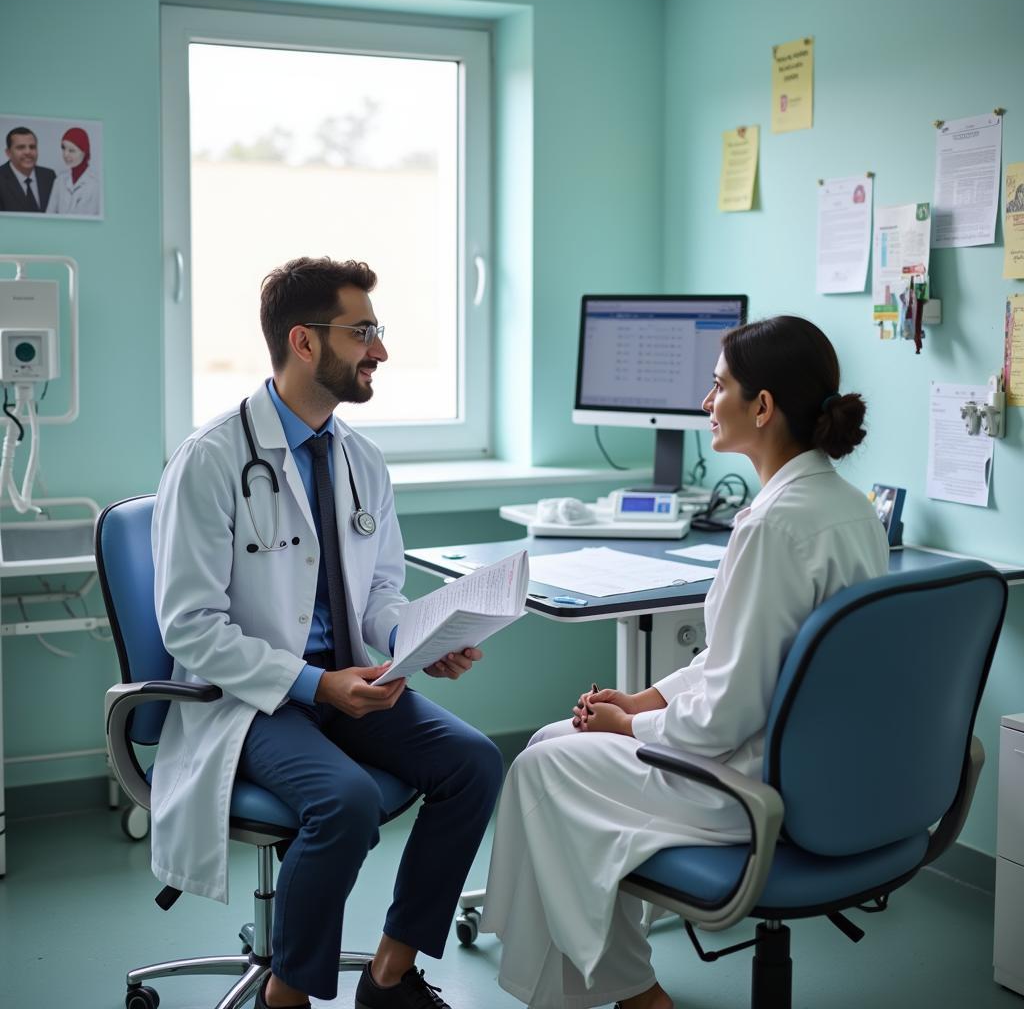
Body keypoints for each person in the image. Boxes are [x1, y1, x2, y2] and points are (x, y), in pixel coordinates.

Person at [481, 316, 890, 1009]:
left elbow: (732, 706)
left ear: (761, 407)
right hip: (833, 774)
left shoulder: (771, 526)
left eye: (718, 385)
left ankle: (630, 993)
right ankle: (619, 983)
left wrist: (626, 731)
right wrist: (645, 700)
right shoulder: (849, 508)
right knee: (560, 747)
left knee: (540, 764)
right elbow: (753, 663)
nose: (706, 402)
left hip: (755, 788)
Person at [151, 256, 504, 1009]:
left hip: (352, 684)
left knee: (474, 763)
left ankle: (390, 974)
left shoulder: (359, 459)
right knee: (341, 801)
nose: (380, 350)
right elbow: (189, 626)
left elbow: (376, 590)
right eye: (363, 332)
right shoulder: (211, 460)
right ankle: (288, 994)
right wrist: (316, 684)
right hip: (249, 698)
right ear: (305, 342)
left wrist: (420, 638)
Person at [46, 126, 100, 216]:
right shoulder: (59, 180)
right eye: (63, 148)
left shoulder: (96, 183)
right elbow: (49, 214)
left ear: (84, 152)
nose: (65, 154)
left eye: (71, 150)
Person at [0, 126, 56, 213]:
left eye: (32, 147)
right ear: (8, 153)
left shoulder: (49, 176)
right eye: (21, 147)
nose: (28, 152)